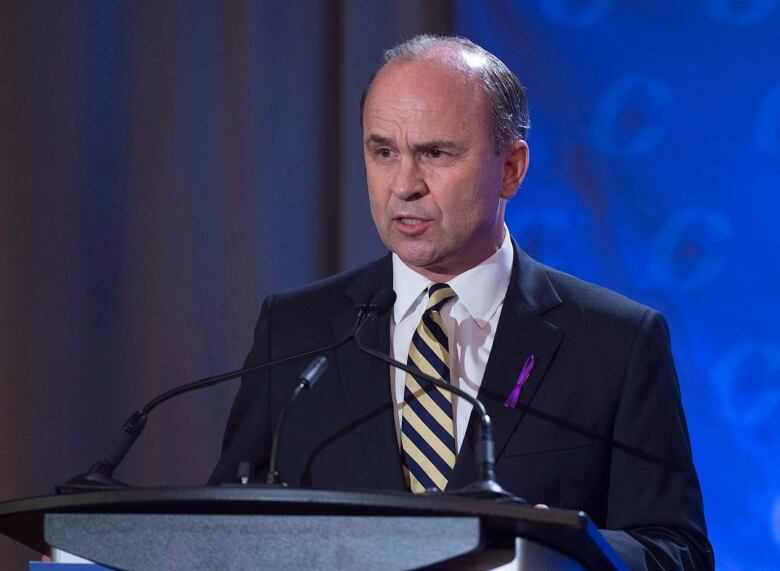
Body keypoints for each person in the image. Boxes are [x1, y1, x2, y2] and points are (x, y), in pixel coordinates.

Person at [209, 35, 713, 570]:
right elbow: (222, 535)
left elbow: (676, 552)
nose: (403, 185)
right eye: (383, 151)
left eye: (435, 153)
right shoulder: (295, 331)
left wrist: (564, 550)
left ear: (513, 169)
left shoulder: (617, 343)